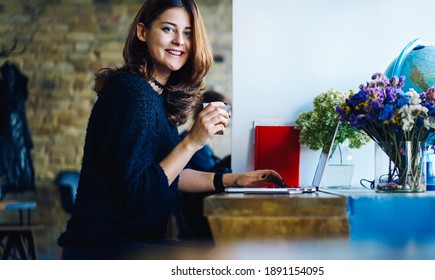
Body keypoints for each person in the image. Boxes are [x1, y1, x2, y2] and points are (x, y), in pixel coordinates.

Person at [57, 0, 284, 260]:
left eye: (187, 33)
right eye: (168, 29)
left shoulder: (156, 96)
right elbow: (140, 193)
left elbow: (168, 174)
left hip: (131, 244)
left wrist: (233, 180)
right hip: (105, 250)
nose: (179, 41)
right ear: (142, 32)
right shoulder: (132, 94)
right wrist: (193, 141)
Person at [176, 90, 231, 241]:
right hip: (196, 212)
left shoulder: (204, 146)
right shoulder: (187, 143)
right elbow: (204, 174)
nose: (226, 120)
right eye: (224, 113)